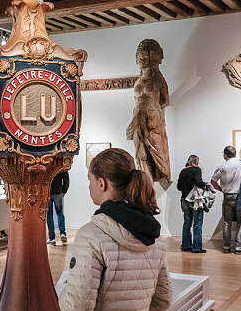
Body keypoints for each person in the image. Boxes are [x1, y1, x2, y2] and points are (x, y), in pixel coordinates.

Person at [58, 148, 171, 311]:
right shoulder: (154, 237)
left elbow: (77, 306)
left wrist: (60, 294)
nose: (89, 187)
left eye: (90, 180)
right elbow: (163, 300)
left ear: (101, 183)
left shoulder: (90, 236)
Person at [126, 39, 172, 186]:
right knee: (141, 154)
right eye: (140, 57)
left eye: (146, 57)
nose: (142, 60)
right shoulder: (138, 82)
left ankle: (158, 177)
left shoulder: (158, 80)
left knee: (157, 152)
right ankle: (146, 183)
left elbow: (165, 101)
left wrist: (152, 108)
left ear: (154, 59)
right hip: (137, 119)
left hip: (153, 120)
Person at [211, 145, 241, 254]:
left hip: (227, 196)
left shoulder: (222, 166)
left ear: (225, 154)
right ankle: (239, 247)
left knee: (227, 222)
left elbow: (213, 181)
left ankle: (226, 246)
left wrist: (222, 189)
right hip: (239, 196)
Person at [177, 155, 207, 253]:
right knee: (197, 223)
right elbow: (198, 182)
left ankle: (186, 246)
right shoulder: (197, 170)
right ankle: (197, 247)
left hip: (184, 200)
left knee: (187, 223)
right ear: (196, 162)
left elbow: (179, 187)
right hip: (195, 201)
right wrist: (204, 185)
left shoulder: (183, 171)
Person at [47, 170, 70, 246]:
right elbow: (66, 178)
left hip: (47, 191)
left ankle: (52, 238)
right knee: (59, 213)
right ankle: (62, 233)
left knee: (49, 215)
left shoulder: (47, 164)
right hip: (58, 191)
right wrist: (64, 190)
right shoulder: (60, 164)